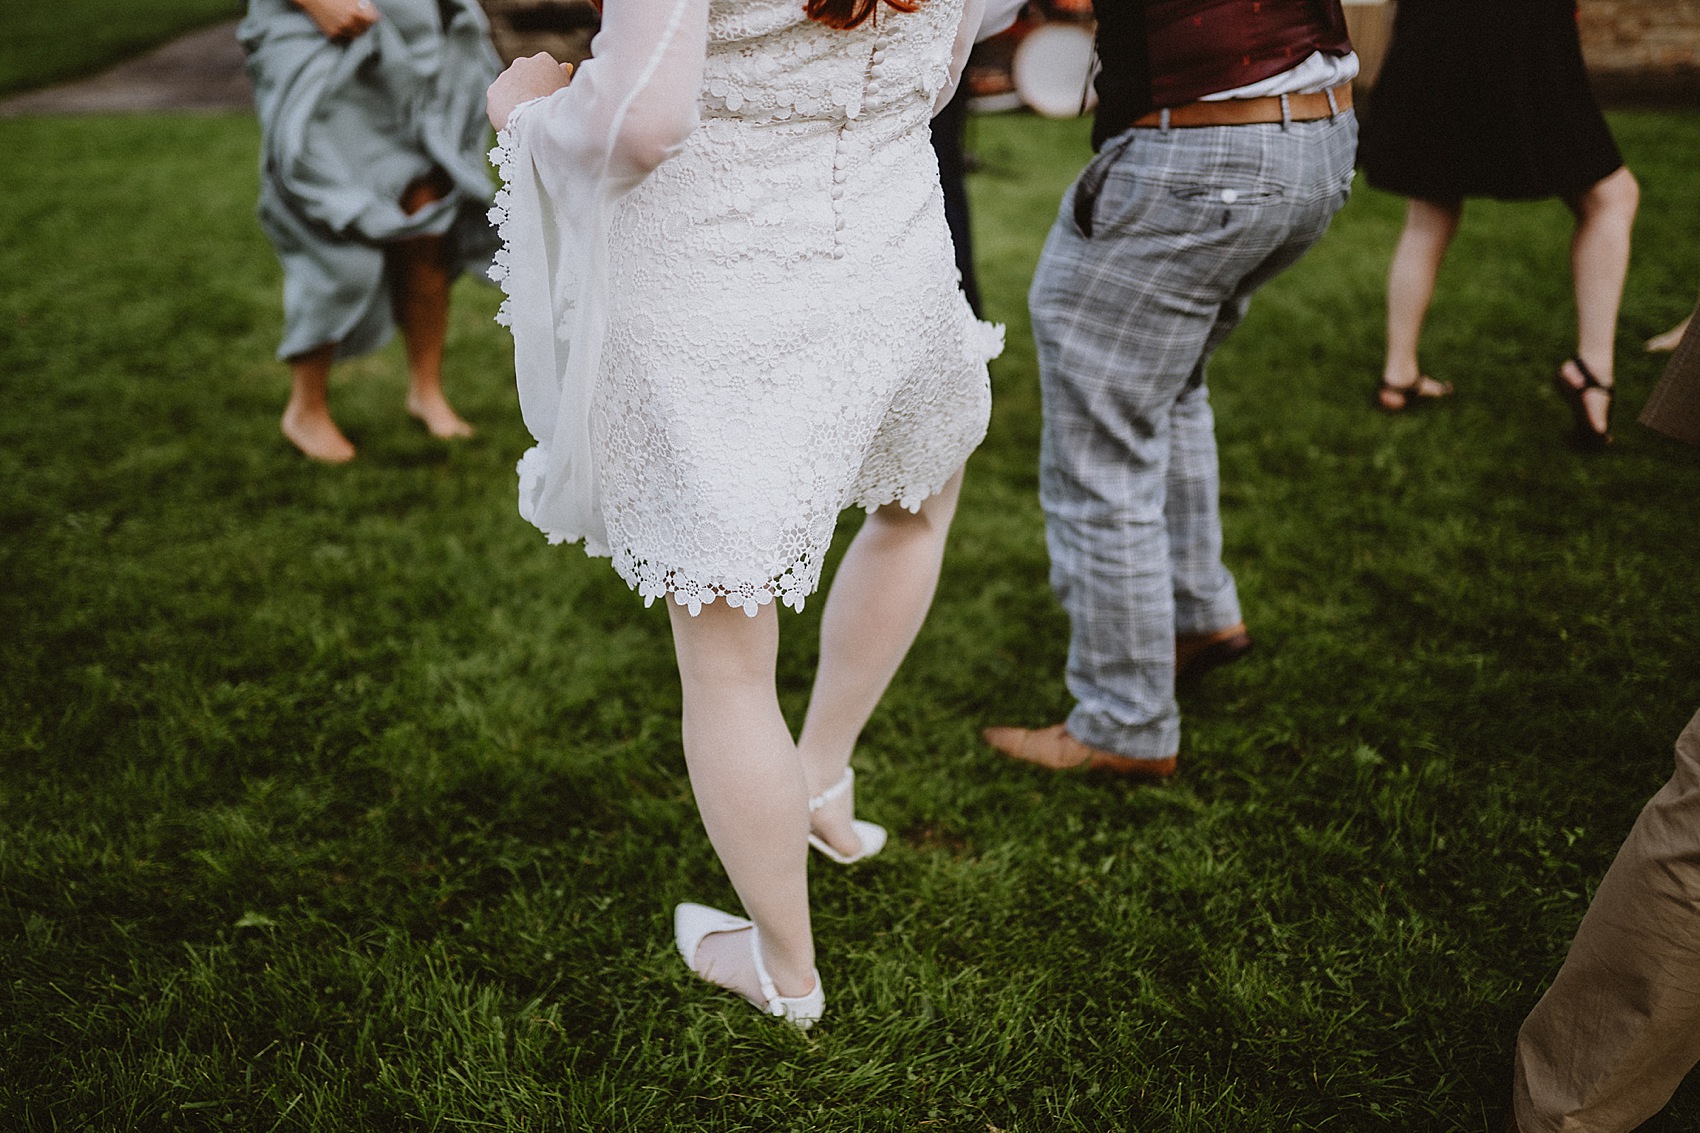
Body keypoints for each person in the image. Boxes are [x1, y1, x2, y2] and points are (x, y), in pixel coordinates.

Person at [486, 0, 999, 1027]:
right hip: (890, 245)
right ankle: (817, 783)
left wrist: (528, 113)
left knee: (724, 652)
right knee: (913, 508)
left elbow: (638, 119)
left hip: (717, 273)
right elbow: (941, 63)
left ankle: (783, 967)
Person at [981, 1, 1358, 778]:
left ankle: (1124, 719)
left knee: (1102, 435)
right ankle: (1196, 614)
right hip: (1318, 132)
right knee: (1170, 379)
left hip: (1209, 146)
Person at [1358, 0, 1639, 451]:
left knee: (1429, 211)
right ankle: (1593, 371)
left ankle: (1398, 375)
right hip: (1521, 28)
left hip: (1433, 31)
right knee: (1612, 198)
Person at [240, 0, 500, 462]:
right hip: (316, 35)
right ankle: (306, 408)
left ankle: (426, 391)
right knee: (333, 229)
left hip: (420, 36)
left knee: (427, 221)